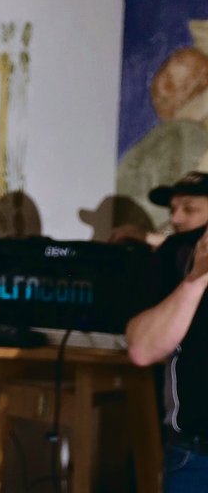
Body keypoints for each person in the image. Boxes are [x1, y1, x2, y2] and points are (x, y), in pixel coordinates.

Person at [126, 170, 208, 492]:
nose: (175, 219)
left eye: (189, 209)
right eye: (173, 209)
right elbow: (142, 349)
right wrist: (196, 278)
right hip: (197, 452)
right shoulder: (173, 255)